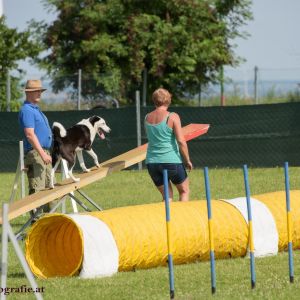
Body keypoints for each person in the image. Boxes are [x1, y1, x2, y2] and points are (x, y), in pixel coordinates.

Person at [145, 88, 193, 201]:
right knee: (184, 191)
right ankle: (181, 218)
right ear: (168, 100)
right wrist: (187, 160)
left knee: (167, 197)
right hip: (171, 161)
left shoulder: (147, 117)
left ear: (154, 100)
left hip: (152, 162)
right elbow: (181, 141)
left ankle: (165, 219)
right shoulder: (172, 116)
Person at [18, 79, 53, 215]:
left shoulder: (36, 110)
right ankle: (36, 223)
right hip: (36, 154)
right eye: (35, 91)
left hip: (44, 153)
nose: (39, 93)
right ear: (28, 93)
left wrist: (46, 153)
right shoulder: (27, 110)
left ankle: (51, 222)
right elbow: (30, 135)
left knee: (50, 189)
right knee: (37, 190)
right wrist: (42, 154)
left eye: (40, 91)